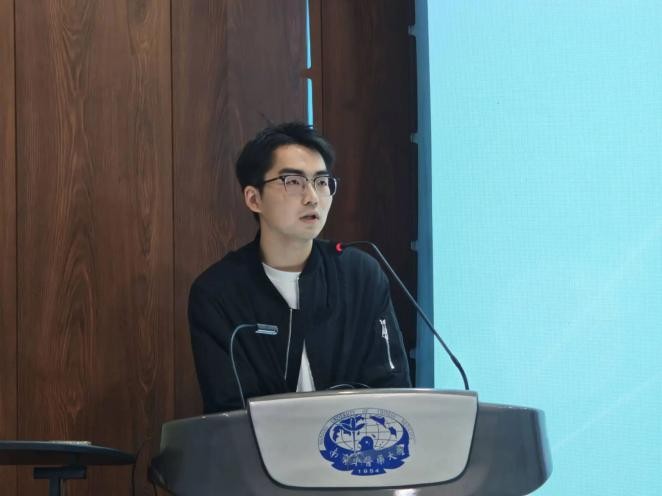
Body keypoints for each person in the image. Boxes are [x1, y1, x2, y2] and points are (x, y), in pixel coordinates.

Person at [188, 122, 411, 413]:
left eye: (321, 182)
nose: (312, 197)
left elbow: (393, 389)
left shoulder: (360, 276)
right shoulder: (219, 293)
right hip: (260, 444)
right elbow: (228, 411)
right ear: (254, 198)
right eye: (293, 182)